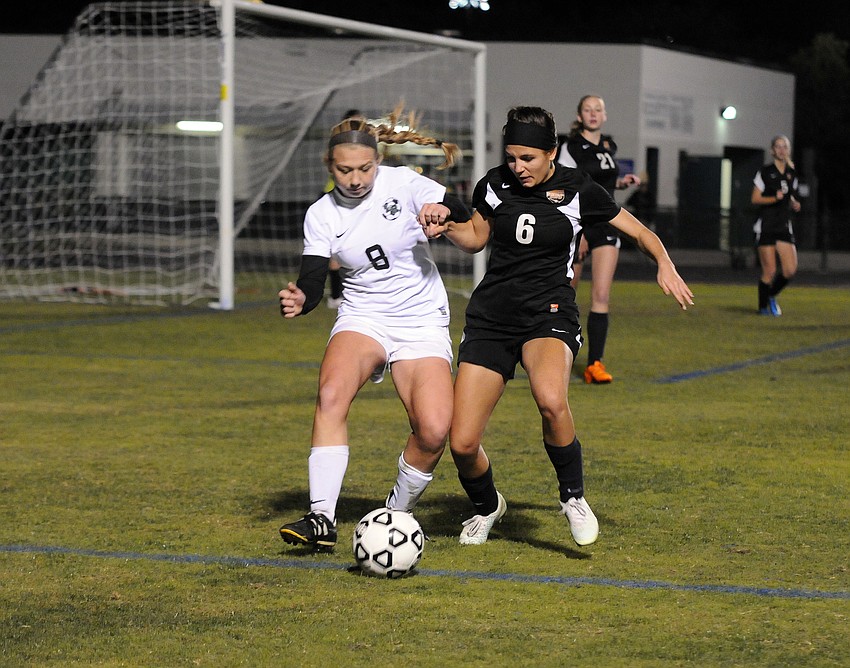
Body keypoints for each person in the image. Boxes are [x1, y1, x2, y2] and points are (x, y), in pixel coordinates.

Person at [419, 106, 693, 547]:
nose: (518, 167)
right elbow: (475, 238)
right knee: (463, 443)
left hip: (548, 312)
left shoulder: (578, 188)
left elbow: (640, 232)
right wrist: (448, 226)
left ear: (551, 153)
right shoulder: (493, 184)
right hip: (491, 317)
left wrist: (664, 263)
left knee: (550, 398)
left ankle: (573, 497)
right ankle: (488, 506)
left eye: (527, 158)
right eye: (511, 157)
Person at [277, 107, 471, 551]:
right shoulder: (321, 214)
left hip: (420, 318)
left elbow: (460, 204)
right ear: (331, 167)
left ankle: (395, 514)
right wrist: (303, 299)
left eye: (364, 168)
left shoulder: (402, 183)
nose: (356, 179)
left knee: (434, 430)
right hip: (363, 315)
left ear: (377, 162)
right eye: (345, 170)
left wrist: (441, 207)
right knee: (330, 395)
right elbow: (311, 276)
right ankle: (321, 518)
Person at [557, 95, 641, 384]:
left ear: (604, 115)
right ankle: (556, 351)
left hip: (605, 222)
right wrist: (575, 231)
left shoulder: (608, 145)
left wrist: (621, 182)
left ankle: (595, 364)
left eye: (598, 110)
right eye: (587, 110)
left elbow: (600, 184)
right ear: (579, 116)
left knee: (601, 296)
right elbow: (567, 185)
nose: (593, 114)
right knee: (566, 293)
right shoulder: (570, 147)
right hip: (580, 223)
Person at [751, 135, 801, 316]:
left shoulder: (792, 173)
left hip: (783, 225)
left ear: (788, 150)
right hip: (766, 225)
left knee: (790, 270)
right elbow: (755, 198)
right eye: (778, 147)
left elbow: (790, 195)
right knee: (770, 271)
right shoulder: (764, 172)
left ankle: (771, 295)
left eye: (784, 147)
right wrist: (774, 198)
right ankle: (763, 308)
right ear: (772, 150)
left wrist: (794, 203)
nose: (781, 150)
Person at [324, 109, 367, 309]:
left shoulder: (369, 145)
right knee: (336, 253)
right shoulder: (339, 144)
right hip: (338, 199)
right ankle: (335, 295)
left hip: (362, 200)